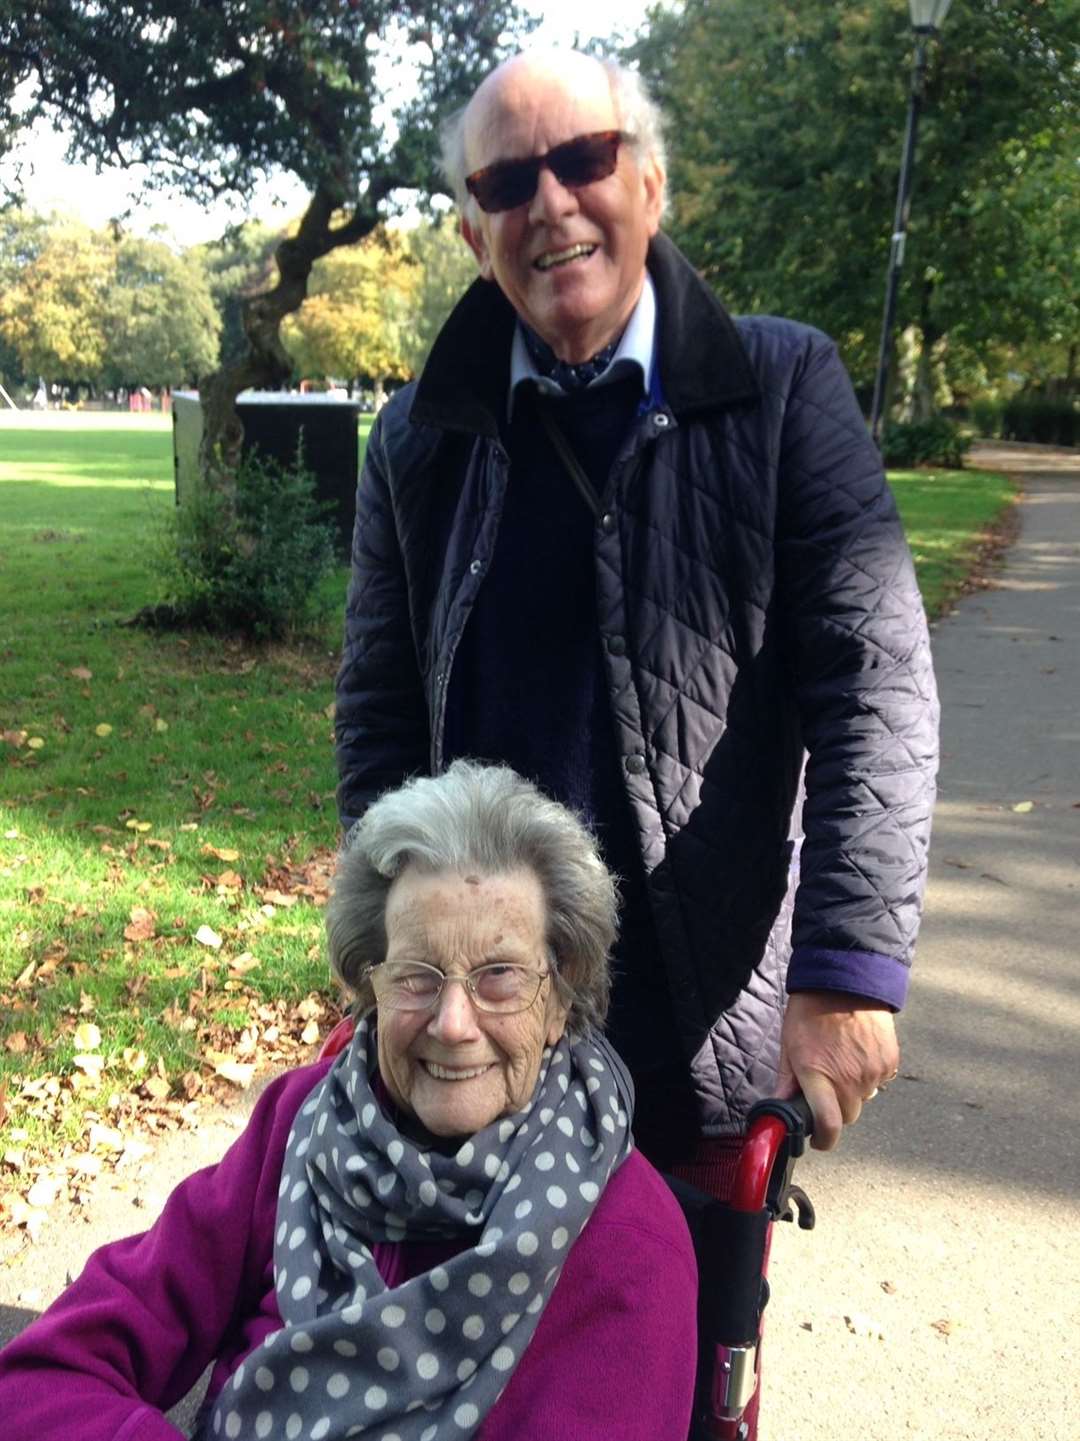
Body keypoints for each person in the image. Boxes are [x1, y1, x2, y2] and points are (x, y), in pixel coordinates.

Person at [334, 49, 939, 1167]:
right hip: (480, 1019)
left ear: (650, 186)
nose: (551, 202)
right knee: (460, 1335)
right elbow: (378, 719)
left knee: (677, 1331)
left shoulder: (783, 388)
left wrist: (846, 967)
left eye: (583, 159)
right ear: (474, 232)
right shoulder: (417, 439)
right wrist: (383, 961)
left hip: (698, 1016)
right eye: (508, 183)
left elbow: (875, 684)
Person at [0, 762, 696, 1441]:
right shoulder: (301, 1122)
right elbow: (43, 1375)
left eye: (501, 976)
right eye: (417, 976)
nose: (453, 1022)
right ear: (371, 985)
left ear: (560, 1000)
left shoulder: (628, 1240)